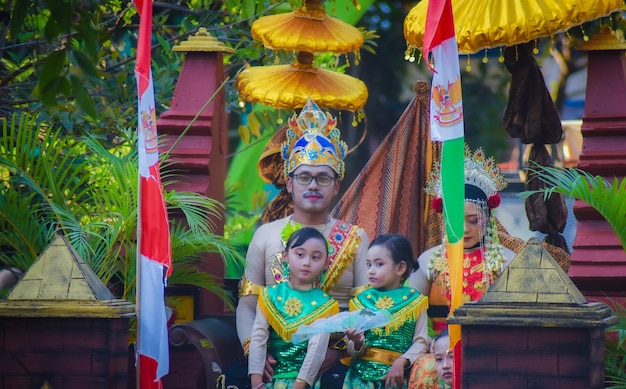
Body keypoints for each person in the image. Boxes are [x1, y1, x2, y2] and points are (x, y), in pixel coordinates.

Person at [236, 97, 370, 387]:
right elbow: (247, 306)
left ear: (336, 185)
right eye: (304, 177)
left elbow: (364, 313)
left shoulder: (356, 239)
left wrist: (336, 354)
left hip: (336, 365)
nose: (312, 185)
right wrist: (253, 351)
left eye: (323, 178)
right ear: (289, 183)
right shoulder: (266, 235)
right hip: (273, 363)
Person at [407, 145, 515, 388]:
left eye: (473, 220)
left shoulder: (505, 262)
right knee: (425, 369)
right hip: (438, 353)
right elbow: (409, 312)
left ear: (487, 218)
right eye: (457, 220)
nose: (465, 229)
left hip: (490, 349)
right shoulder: (429, 261)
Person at [248, 227, 339, 389]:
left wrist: (300, 384)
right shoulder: (270, 295)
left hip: (306, 381)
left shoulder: (325, 304)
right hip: (268, 379)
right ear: (285, 257)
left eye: (315, 257)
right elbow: (258, 338)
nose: (306, 262)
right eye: (300, 254)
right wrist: (256, 382)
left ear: (325, 264)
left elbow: (316, 350)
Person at [343, 234, 429, 389]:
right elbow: (351, 348)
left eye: (379, 264)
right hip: (359, 379)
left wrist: (402, 361)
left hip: (395, 379)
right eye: (368, 265)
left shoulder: (415, 301)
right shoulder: (361, 300)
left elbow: (421, 341)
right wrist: (356, 342)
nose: (371, 271)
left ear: (400, 268)